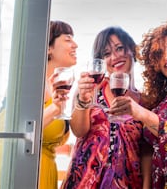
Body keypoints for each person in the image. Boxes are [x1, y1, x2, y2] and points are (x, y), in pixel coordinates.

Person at [109, 20, 167, 188]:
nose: (166, 57)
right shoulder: (162, 103)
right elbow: (148, 149)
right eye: (159, 54)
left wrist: (141, 113)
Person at [60, 26, 147, 188]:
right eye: (106, 54)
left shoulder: (145, 102)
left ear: (132, 50)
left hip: (128, 183)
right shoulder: (90, 88)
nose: (114, 57)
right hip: (85, 181)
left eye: (119, 48)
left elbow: (147, 153)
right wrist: (83, 100)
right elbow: (79, 131)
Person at [40, 20, 78, 189]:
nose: (75, 45)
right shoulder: (31, 84)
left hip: (47, 172)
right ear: (48, 48)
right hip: (31, 171)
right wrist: (55, 108)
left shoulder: (52, 85)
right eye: (68, 39)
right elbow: (19, 130)